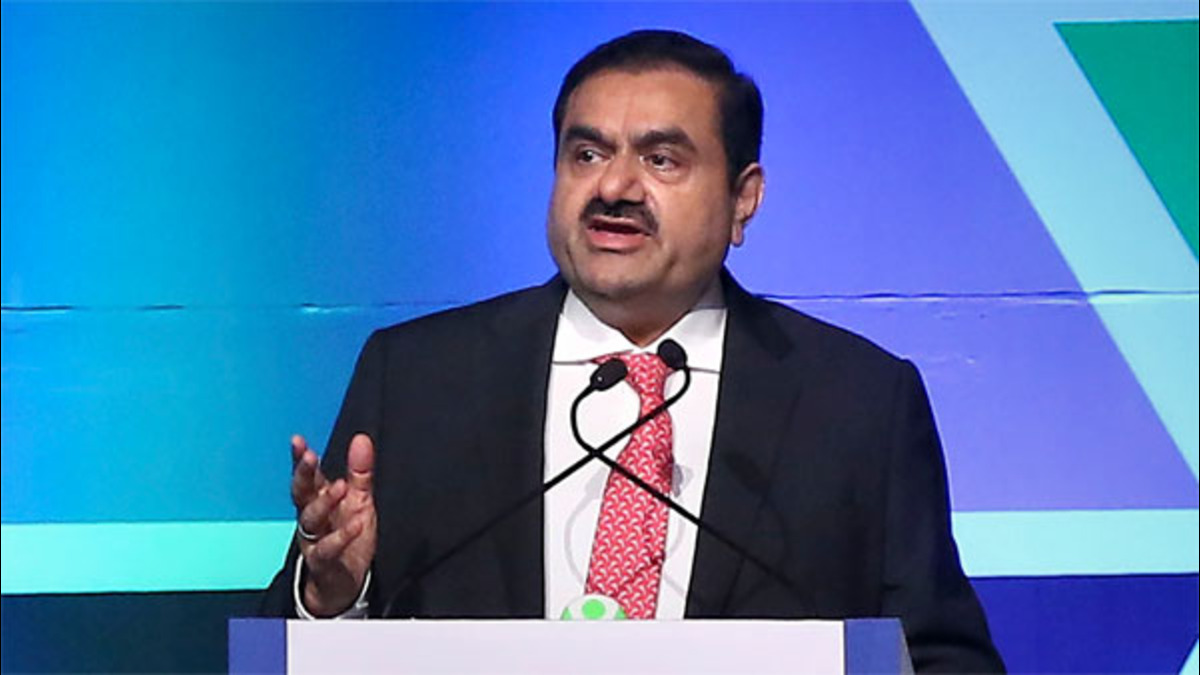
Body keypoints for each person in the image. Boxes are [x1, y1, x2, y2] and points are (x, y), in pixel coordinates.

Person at [262, 29, 1004, 672]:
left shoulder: (858, 401)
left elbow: (941, 656)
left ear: (744, 197)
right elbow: (285, 642)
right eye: (586, 154)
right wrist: (333, 599)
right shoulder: (419, 378)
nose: (614, 186)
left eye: (662, 160)